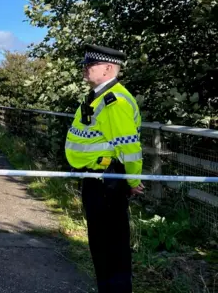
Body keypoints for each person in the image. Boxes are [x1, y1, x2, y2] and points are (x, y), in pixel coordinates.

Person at [64, 44, 145, 293]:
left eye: (91, 65)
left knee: (111, 245)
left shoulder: (115, 101)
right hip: (96, 179)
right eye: (85, 64)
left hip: (108, 180)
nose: (85, 69)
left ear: (108, 68)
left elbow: (128, 147)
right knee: (100, 243)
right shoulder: (97, 96)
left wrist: (132, 182)